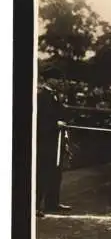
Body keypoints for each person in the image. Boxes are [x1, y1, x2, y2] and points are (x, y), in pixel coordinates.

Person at [36, 84, 72, 217]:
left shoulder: (54, 96)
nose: (58, 81)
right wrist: (54, 124)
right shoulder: (41, 96)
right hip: (45, 140)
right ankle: (35, 205)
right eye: (54, 78)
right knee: (42, 172)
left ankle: (52, 203)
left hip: (56, 139)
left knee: (56, 172)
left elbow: (61, 113)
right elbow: (39, 117)